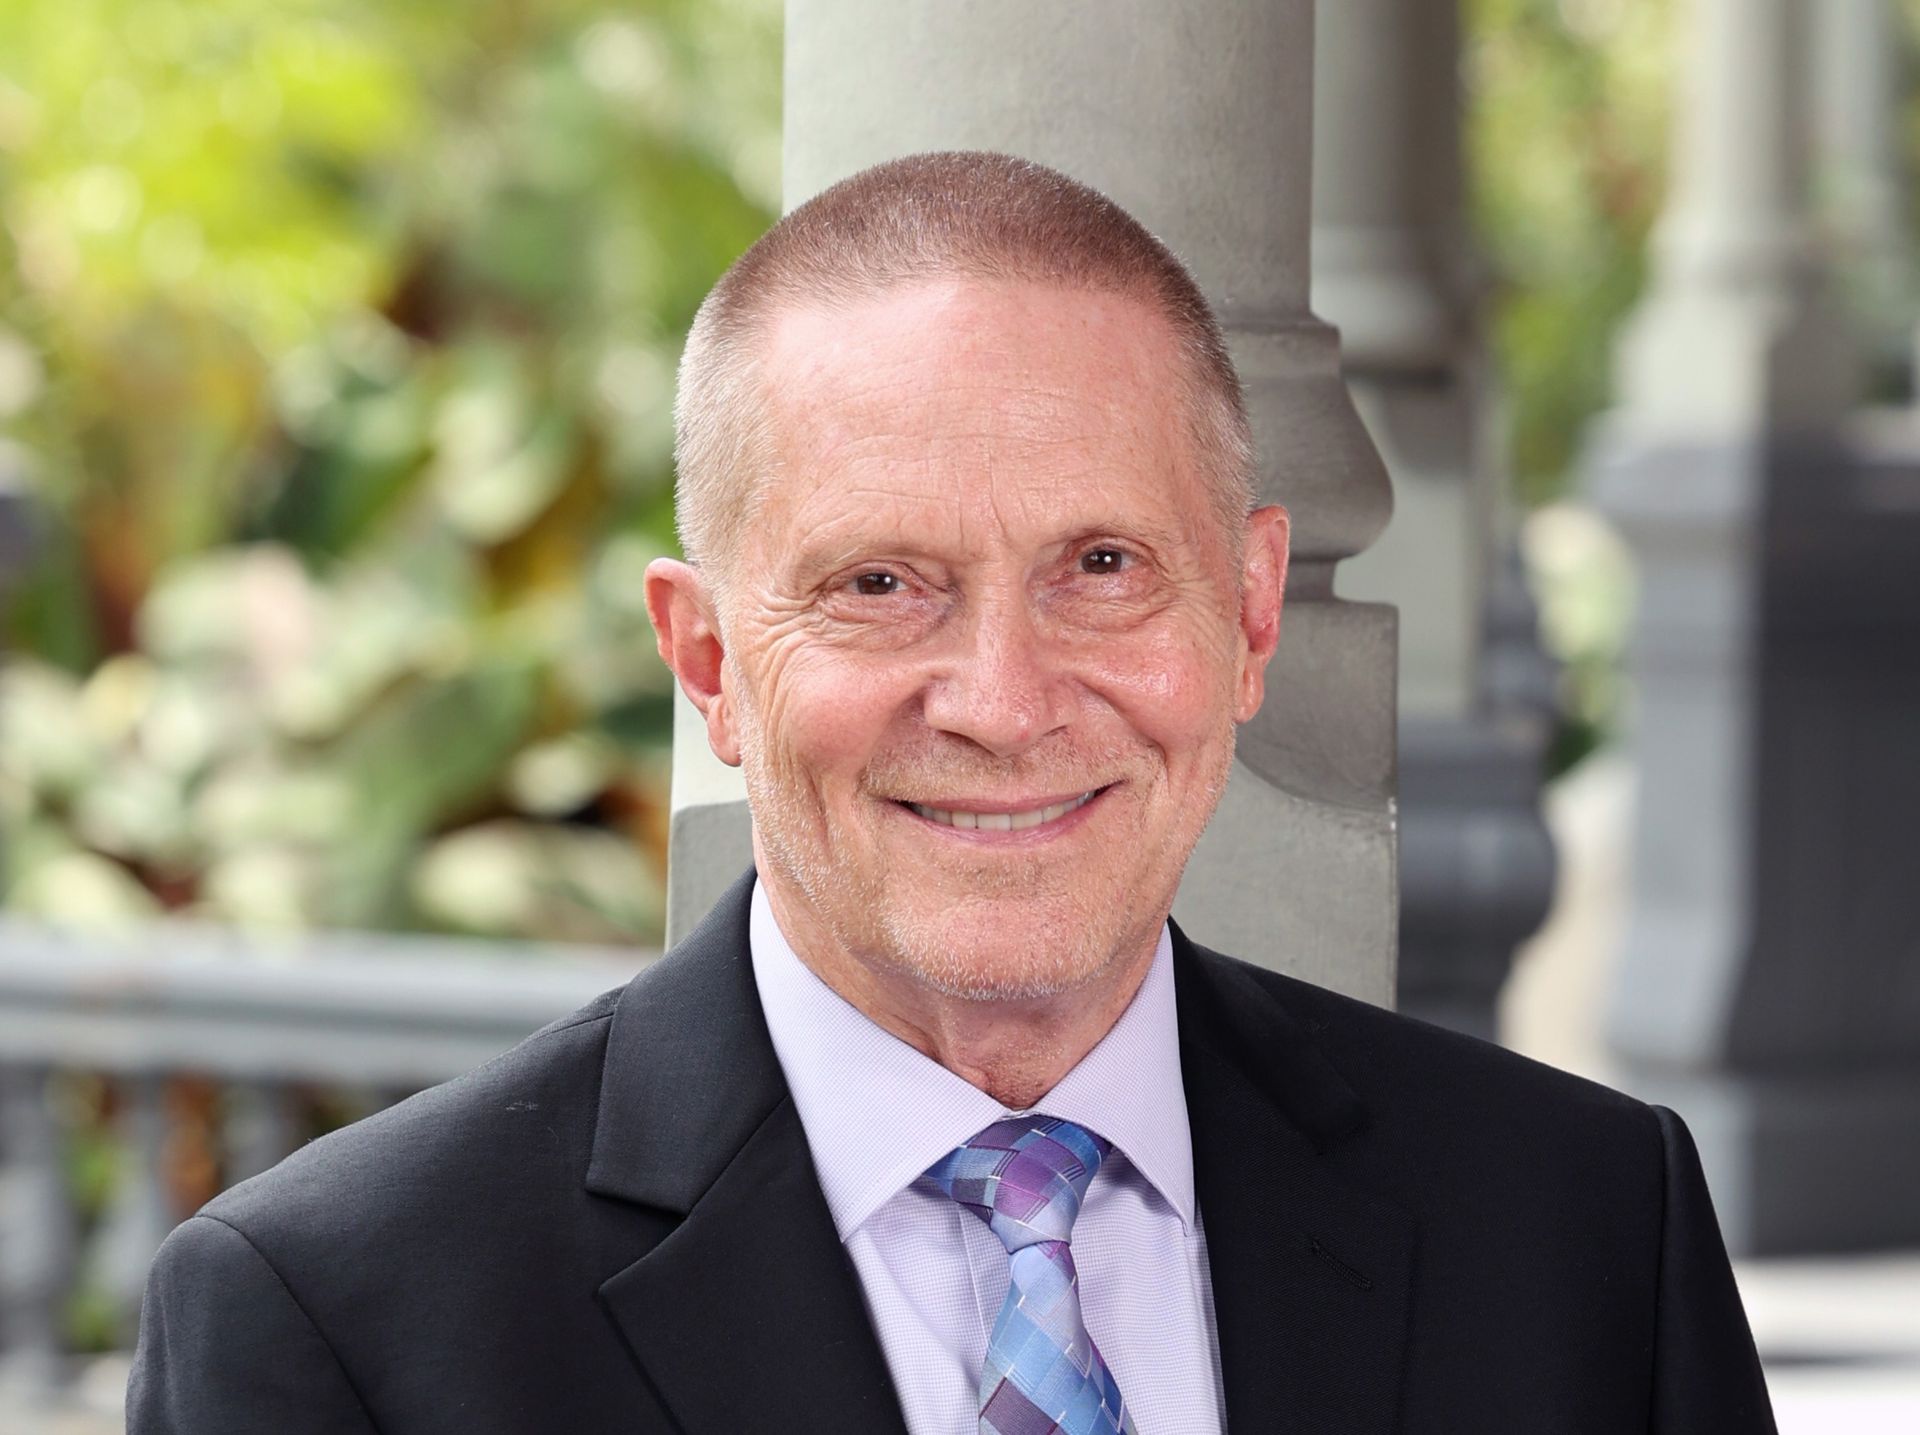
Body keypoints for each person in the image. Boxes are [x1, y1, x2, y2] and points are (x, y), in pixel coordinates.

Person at [127, 152, 1776, 1435]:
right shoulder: (342, 1322)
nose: (1001, 703)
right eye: (879, 586)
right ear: (707, 665)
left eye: (1105, 566)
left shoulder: (1577, 1237)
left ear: (1253, 615)